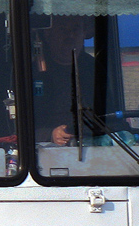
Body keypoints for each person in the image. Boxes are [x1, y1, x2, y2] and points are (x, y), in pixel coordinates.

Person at [32, 15, 96, 146]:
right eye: (63, 30)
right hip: (44, 155)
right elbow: (14, 127)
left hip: (92, 150)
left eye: (76, 29)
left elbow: (111, 117)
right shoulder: (31, 72)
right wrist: (50, 135)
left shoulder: (95, 70)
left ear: (84, 33)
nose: (70, 36)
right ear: (48, 34)